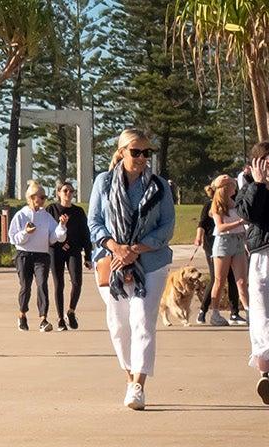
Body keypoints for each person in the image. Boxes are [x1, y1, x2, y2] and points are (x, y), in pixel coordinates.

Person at [86, 128, 177, 410]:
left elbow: (167, 227)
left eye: (146, 153)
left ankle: (138, 385)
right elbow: (94, 222)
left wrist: (136, 249)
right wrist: (117, 248)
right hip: (111, 262)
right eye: (135, 152)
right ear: (122, 152)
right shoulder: (103, 182)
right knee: (118, 325)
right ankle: (129, 376)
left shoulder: (160, 186)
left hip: (150, 263)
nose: (141, 158)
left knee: (142, 322)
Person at [237, 144, 269, 403]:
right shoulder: (249, 189)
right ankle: (265, 373)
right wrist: (258, 184)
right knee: (261, 315)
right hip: (262, 256)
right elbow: (248, 213)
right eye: (264, 162)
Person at [8, 182, 59, 332]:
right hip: (23, 254)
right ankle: (22, 314)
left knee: (42, 284)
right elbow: (13, 238)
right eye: (41, 197)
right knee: (26, 286)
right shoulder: (21, 215)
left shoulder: (47, 216)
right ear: (31, 198)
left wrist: (62, 227)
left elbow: (54, 236)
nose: (43, 200)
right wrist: (26, 233)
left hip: (42, 255)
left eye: (45, 197)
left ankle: (43, 318)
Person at [47, 180, 91, 331]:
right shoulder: (51, 209)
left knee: (77, 282)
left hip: (73, 250)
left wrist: (88, 256)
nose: (68, 194)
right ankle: (60, 319)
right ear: (58, 193)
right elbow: (47, 231)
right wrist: (59, 244)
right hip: (55, 250)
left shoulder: (78, 212)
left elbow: (85, 234)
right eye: (65, 190)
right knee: (59, 284)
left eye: (71, 191)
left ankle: (71, 311)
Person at [207, 175, 249, 327]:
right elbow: (220, 227)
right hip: (223, 243)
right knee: (219, 280)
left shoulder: (235, 202)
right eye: (232, 185)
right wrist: (239, 222)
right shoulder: (217, 205)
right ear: (225, 188)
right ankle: (215, 313)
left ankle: (249, 311)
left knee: (242, 281)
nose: (235, 187)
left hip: (238, 241)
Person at [192, 193, 219, 323]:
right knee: (215, 278)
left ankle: (234, 312)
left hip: (230, 244)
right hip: (211, 244)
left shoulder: (232, 202)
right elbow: (202, 223)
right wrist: (198, 237)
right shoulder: (209, 204)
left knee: (233, 279)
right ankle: (203, 311)